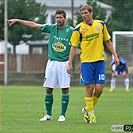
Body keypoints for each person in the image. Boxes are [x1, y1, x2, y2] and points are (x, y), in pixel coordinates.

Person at [7, 9, 74, 122]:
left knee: (65, 89)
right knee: (48, 89)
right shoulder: (52, 28)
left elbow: (78, 44)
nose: (58, 20)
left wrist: (70, 63)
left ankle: (62, 115)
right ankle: (48, 115)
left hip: (64, 63)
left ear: (65, 18)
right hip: (52, 63)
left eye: (60, 17)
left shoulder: (71, 31)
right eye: (56, 17)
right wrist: (18, 20)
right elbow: (33, 25)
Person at [67, 4, 119, 124]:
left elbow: (107, 41)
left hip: (99, 61)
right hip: (86, 62)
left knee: (100, 89)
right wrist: (70, 63)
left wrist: (115, 55)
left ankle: (86, 109)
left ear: (91, 13)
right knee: (89, 87)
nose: (84, 15)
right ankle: (91, 115)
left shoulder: (100, 25)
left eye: (86, 13)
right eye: (82, 13)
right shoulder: (78, 28)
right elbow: (74, 46)